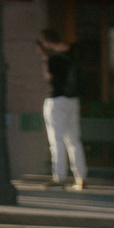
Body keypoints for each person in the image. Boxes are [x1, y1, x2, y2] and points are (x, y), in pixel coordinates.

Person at [37, 31, 85, 190]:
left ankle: (59, 178)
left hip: (56, 100)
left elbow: (49, 77)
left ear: (46, 42)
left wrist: (45, 57)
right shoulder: (73, 53)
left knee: (56, 140)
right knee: (74, 140)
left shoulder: (53, 57)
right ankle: (80, 177)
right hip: (73, 100)